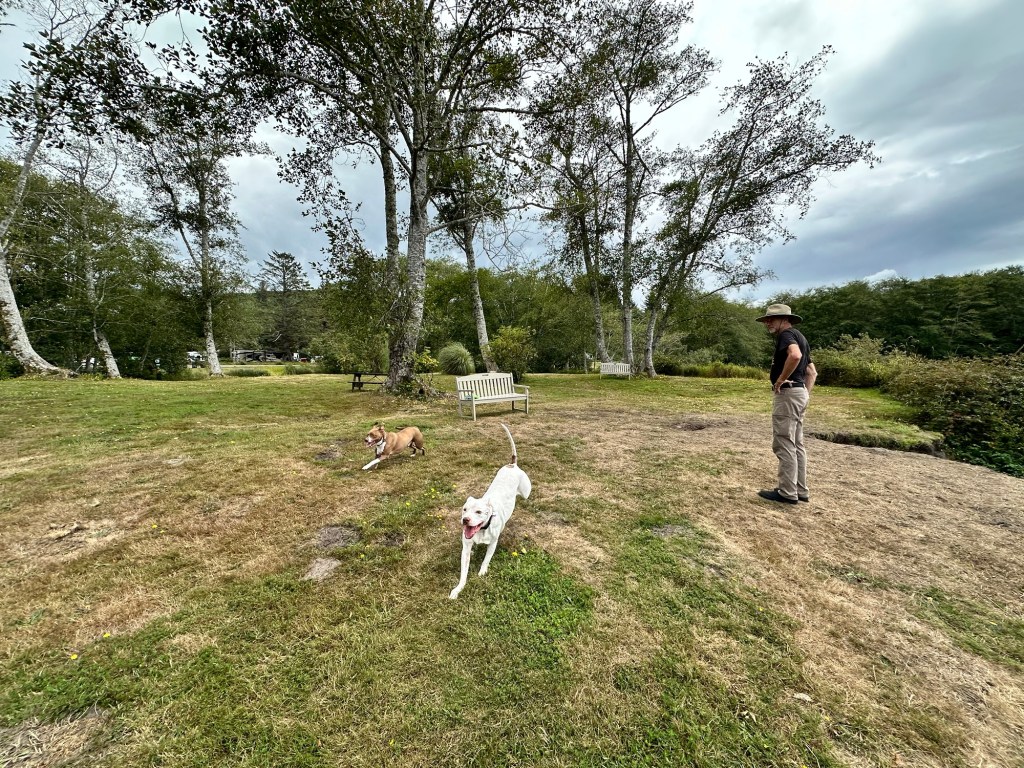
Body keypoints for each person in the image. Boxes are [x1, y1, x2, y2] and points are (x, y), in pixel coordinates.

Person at [756, 304, 817, 504]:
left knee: (784, 442)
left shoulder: (786, 336)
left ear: (784, 319)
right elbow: (811, 372)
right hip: (799, 394)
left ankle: (787, 492)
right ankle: (800, 490)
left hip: (789, 394)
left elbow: (795, 356)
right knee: (797, 443)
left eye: (771, 319)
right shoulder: (802, 338)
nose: (767, 323)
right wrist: (805, 394)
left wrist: (781, 380)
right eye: (766, 319)